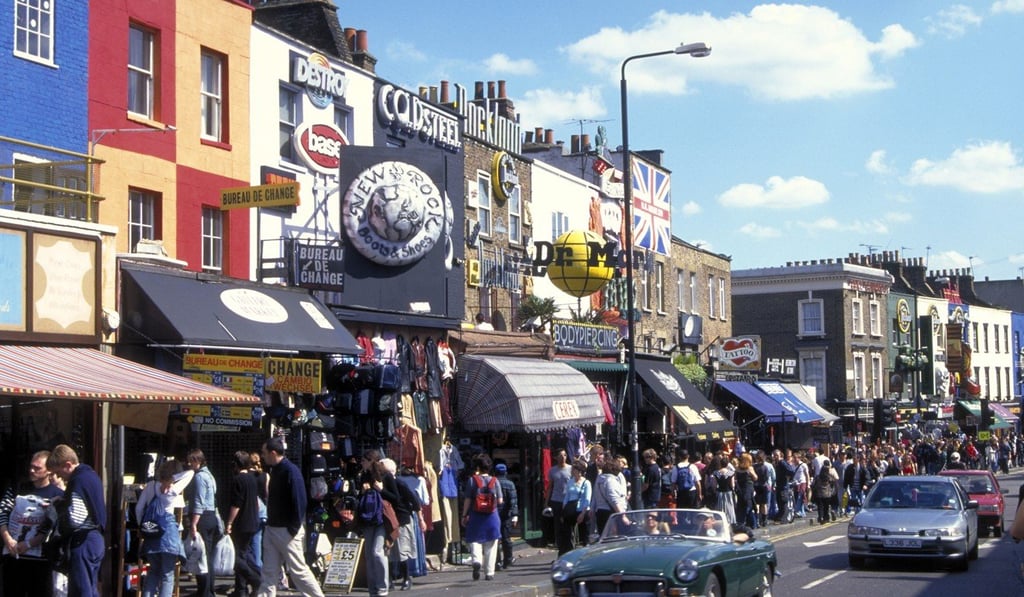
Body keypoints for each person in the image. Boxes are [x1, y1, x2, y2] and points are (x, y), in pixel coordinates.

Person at [253, 438, 325, 597]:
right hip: (275, 527)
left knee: (298, 570)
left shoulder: (290, 471)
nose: (262, 456)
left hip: (285, 529)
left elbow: (300, 500)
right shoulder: (280, 470)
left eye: (264, 453)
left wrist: (293, 528)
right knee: (269, 571)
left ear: (273, 453)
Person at [0, 450, 65, 597]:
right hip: (13, 556)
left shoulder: (57, 495)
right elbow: (2, 513)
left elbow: (52, 527)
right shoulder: (17, 488)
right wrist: (7, 539)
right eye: (31, 466)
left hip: (41, 560)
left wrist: (29, 544)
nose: (32, 471)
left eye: (37, 468)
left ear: (49, 471)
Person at [46, 444, 106, 597]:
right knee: (91, 588)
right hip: (96, 539)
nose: (60, 477)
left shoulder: (78, 481)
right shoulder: (92, 475)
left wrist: (59, 507)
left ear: (68, 465)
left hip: (83, 541)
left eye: (59, 472)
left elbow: (76, 518)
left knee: (81, 590)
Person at [136, 459, 194, 597]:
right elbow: (190, 473)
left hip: (150, 536)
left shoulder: (150, 486)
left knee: (153, 571)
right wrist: (172, 479)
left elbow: (139, 508)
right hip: (168, 536)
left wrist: (142, 526)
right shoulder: (172, 490)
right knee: (167, 575)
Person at [224, 451, 262, 597]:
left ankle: (255, 580)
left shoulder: (238, 480)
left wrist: (229, 522)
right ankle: (241, 589)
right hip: (253, 520)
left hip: (242, 523)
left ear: (236, 464)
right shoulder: (253, 478)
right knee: (246, 554)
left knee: (238, 557)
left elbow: (236, 504)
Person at [462, 453, 503, 581]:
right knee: (491, 544)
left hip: (476, 516)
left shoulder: (472, 481)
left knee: (474, 540)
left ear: (478, 467)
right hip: (492, 517)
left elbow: (468, 499)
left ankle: (477, 561)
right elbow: (500, 500)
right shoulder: (495, 481)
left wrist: (464, 515)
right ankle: (489, 572)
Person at [186, 449, 220, 597]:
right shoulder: (209, 475)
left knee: (201, 556)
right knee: (208, 555)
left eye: (191, 461)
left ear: (198, 461)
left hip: (203, 518)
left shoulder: (199, 477)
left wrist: (194, 523)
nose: (189, 464)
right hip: (211, 516)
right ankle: (208, 590)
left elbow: (199, 501)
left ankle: (204, 591)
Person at [357, 450, 389, 597]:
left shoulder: (385, 476)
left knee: (377, 552)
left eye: (364, 460)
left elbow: (396, 497)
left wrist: (382, 490)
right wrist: (362, 492)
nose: (361, 463)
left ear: (371, 461)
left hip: (381, 519)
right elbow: (359, 498)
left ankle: (382, 587)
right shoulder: (363, 476)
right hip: (368, 519)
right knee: (369, 554)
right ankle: (373, 589)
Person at [559, 460, 591, 554]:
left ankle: (586, 553)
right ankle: (567, 553)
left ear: (579, 471)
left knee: (584, 535)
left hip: (582, 510)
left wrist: (582, 514)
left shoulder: (586, 483)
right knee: (567, 534)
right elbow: (567, 496)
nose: (572, 471)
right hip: (570, 510)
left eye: (574, 469)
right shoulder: (570, 481)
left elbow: (587, 499)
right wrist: (564, 510)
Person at [543, 449, 571, 549]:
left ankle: (569, 544)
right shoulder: (552, 470)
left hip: (568, 500)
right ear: (556, 457)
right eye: (560, 455)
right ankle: (559, 544)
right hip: (556, 500)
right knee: (557, 524)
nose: (563, 457)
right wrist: (546, 501)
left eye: (565, 455)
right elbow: (550, 487)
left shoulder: (571, 469)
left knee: (568, 523)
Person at [493, 463, 518, 570]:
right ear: (505, 472)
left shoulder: (493, 483)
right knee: (506, 538)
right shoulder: (510, 484)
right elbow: (513, 501)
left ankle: (497, 561)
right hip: (506, 514)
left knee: (495, 539)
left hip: (494, 514)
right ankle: (508, 559)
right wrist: (514, 515)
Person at [734, 453, 757, 529]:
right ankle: (748, 523)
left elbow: (755, 478)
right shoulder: (738, 468)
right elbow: (735, 478)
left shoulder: (749, 468)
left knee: (746, 505)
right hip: (742, 488)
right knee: (742, 505)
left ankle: (745, 522)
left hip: (746, 488)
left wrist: (751, 473)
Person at [812, 459, 838, 524]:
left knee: (820, 506)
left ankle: (821, 517)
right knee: (826, 507)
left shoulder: (818, 477)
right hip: (827, 494)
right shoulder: (829, 478)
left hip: (819, 494)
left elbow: (814, 484)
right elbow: (834, 483)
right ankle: (825, 518)